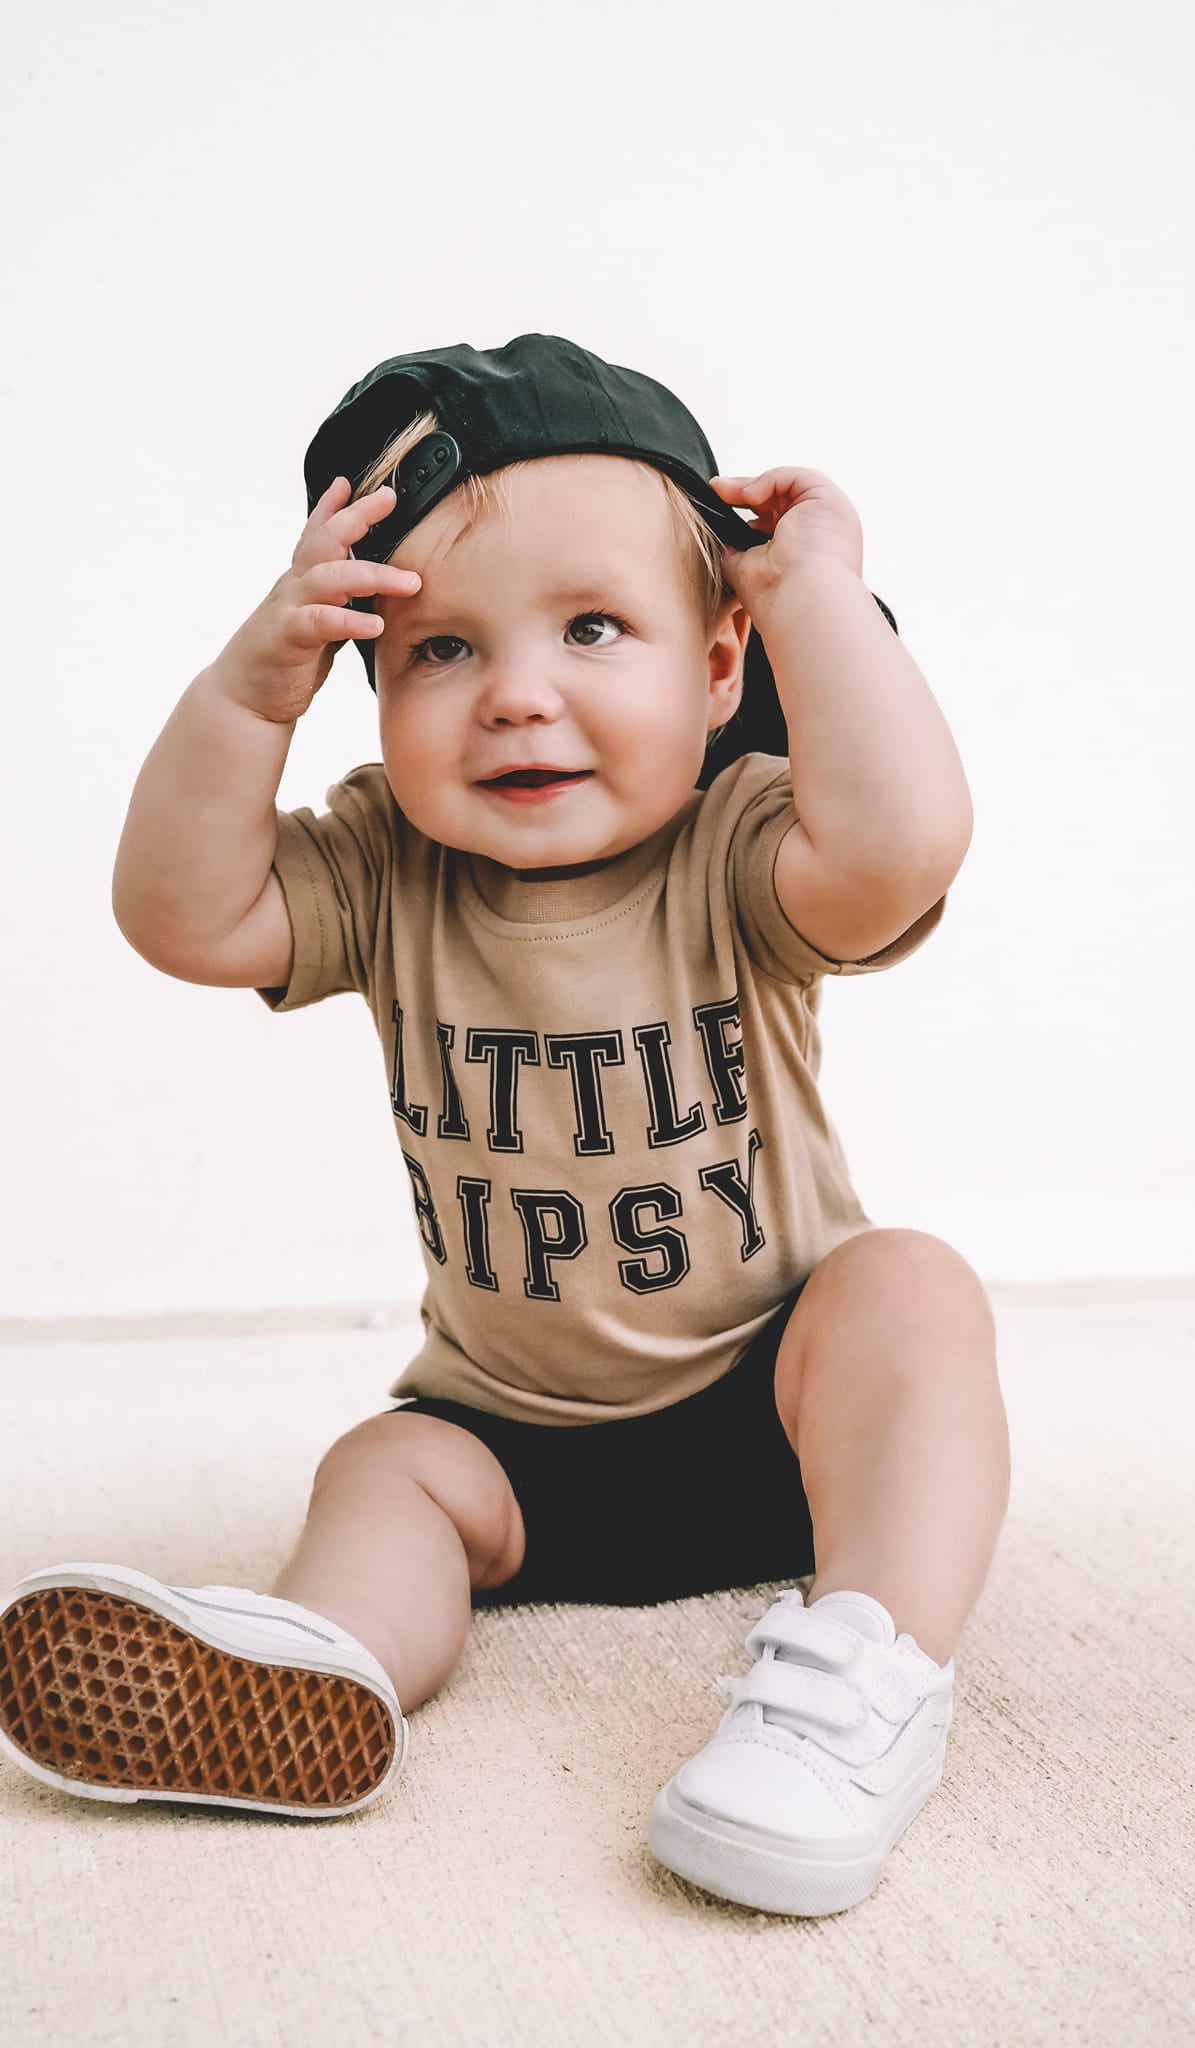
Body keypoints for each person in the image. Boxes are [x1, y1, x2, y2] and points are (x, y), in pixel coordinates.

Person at [0, 336, 1009, 1918]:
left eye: (593, 628)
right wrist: (249, 690)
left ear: (720, 671)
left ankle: (858, 1681)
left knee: (908, 1287)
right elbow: (179, 915)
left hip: (781, 1418)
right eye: (441, 650)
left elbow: (903, 841)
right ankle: (320, 1660)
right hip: (513, 1449)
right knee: (386, 1465)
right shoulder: (382, 868)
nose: (517, 694)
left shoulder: (741, 847)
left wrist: (812, 594)